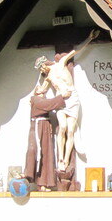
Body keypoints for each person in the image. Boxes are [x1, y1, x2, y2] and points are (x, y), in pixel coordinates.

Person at [34, 29, 100, 171]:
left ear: (44, 65)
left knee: (70, 131)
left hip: (73, 99)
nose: (42, 72)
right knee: (62, 127)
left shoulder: (61, 63)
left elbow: (75, 51)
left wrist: (89, 38)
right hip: (61, 102)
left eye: (41, 69)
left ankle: (66, 158)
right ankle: (60, 158)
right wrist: (34, 95)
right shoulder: (48, 78)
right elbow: (41, 91)